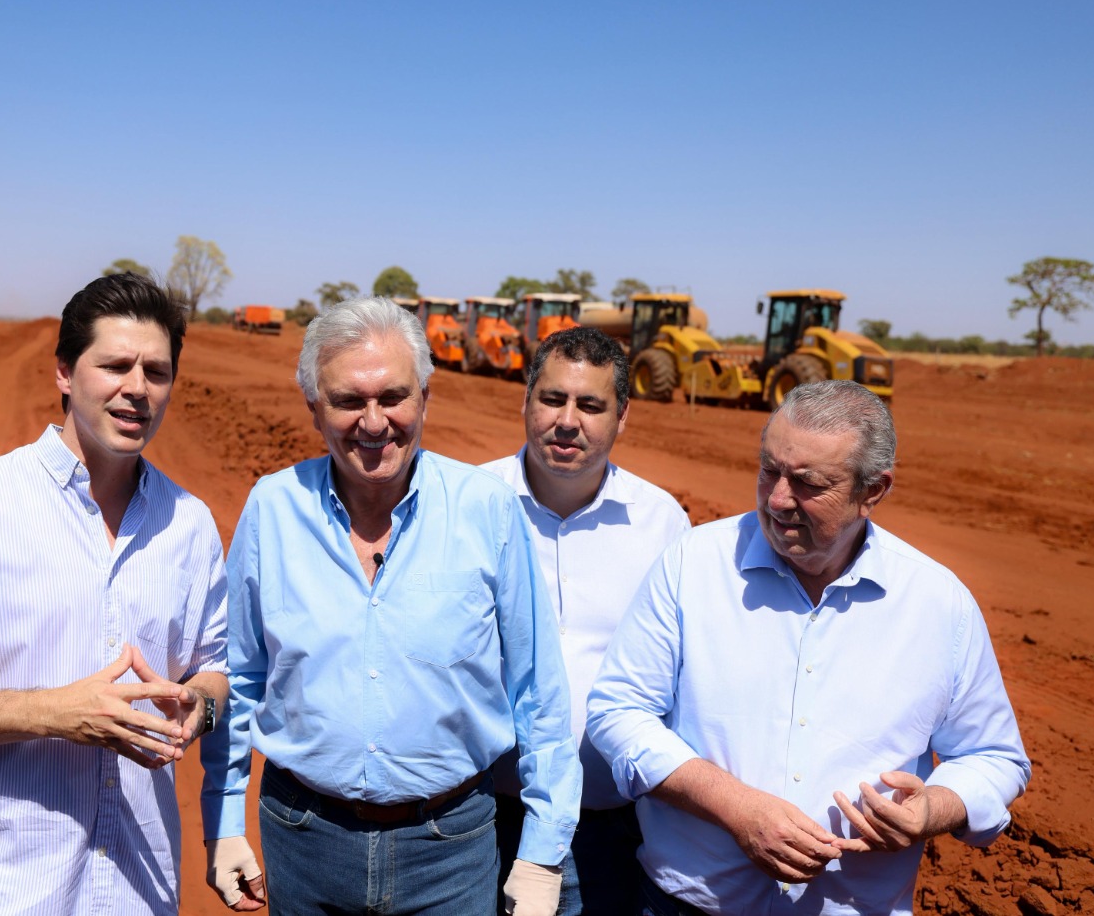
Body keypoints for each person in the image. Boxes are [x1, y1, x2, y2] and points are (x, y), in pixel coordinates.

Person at [587, 380, 1029, 916]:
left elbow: (993, 757)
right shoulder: (693, 565)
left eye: (808, 483)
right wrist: (738, 809)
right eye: (769, 470)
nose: (777, 499)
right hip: (686, 905)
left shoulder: (939, 606)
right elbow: (619, 711)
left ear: (874, 490)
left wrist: (932, 809)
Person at [202, 296, 580, 916]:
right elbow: (239, 679)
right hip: (303, 841)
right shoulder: (271, 510)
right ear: (314, 409)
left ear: (425, 397)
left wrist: (542, 855)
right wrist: (223, 820)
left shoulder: (486, 510)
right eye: (349, 401)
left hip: (451, 850)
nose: (374, 423)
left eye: (393, 397)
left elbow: (538, 691)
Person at [0, 272, 228, 916]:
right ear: (65, 373)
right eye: (115, 365)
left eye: (157, 371)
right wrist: (55, 714)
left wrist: (197, 706)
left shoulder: (191, 525)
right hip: (1, 893)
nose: (137, 389)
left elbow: (214, 667)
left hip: (141, 893)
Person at [482, 327, 690, 916]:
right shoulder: (470, 502)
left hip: (612, 831)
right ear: (526, 400)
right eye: (552, 399)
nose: (567, 420)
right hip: (482, 820)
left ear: (622, 416)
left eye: (590, 405)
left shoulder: (662, 526)